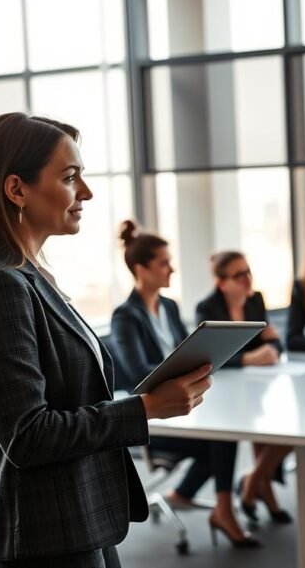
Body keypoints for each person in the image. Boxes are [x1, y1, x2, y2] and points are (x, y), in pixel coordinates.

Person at [0, 113, 212, 568]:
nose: (85, 192)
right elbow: (28, 435)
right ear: (16, 189)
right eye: (70, 177)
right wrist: (146, 407)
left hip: (77, 515)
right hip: (40, 534)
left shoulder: (30, 276)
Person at [110, 223, 258, 548]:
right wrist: (182, 371)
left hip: (184, 409)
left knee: (224, 433)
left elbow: (183, 352)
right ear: (141, 269)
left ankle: (187, 496)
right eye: (163, 263)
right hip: (154, 418)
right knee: (222, 440)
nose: (172, 269)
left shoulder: (169, 306)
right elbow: (138, 375)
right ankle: (224, 512)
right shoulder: (125, 317)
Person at [195, 251, 293, 525]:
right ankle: (261, 487)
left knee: (283, 428)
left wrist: (272, 348)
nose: (247, 279)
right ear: (221, 282)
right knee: (261, 427)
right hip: (223, 393)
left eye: (248, 272)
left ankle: (255, 481)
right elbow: (207, 357)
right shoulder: (207, 309)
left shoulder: (255, 300)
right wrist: (249, 357)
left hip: (257, 387)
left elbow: (273, 341)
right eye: (239, 275)